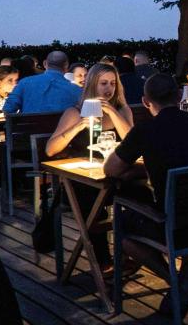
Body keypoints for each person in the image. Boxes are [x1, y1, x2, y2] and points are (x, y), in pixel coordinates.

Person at [103, 74, 188, 312]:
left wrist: (142, 168)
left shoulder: (146, 131)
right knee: (182, 202)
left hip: (178, 226)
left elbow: (111, 169)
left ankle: (175, 280)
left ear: (146, 101)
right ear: (179, 96)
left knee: (123, 226)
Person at [46, 63, 134, 268]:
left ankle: (130, 251)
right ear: (92, 84)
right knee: (91, 198)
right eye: (103, 83)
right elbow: (50, 149)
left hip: (113, 176)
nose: (108, 88)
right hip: (80, 180)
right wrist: (79, 126)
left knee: (139, 191)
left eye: (112, 83)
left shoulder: (121, 110)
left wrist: (111, 111)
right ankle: (104, 261)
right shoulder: (75, 112)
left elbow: (131, 141)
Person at [3, 51, 82, 113]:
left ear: (45, 63)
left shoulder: (24, 83)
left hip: (29, 132)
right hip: (65, 133)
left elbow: (7, 110)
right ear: (66, 66)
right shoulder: (77, 91)